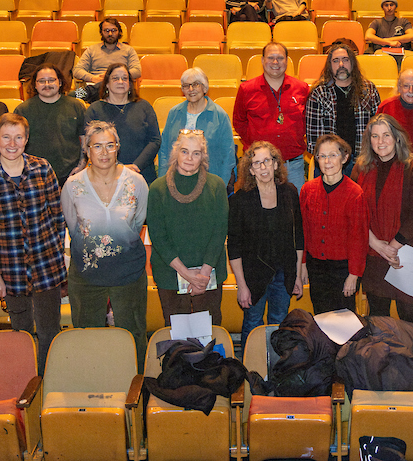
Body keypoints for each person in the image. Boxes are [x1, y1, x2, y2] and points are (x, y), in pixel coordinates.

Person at [0, 113, 67, 373]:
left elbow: (57, 215)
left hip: (46, 264)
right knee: (21, 330)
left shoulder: (42, 168)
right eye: (6, 137)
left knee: (50, 329)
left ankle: (49, 376)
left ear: (26, 139)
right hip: (10, 268)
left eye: (18, 137)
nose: (12, 144)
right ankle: (25, 377)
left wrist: (57, 253)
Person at [61, 121, 150, 371]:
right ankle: (93, 384)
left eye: (110, 145)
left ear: (118, 147)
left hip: (129, 274)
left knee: (133, 336)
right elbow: (73, 226)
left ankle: (135, 386)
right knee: (87, 339)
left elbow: (138, 222)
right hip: (87, 277)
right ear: (87, 149)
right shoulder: (73, 186)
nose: (104, 152)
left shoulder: (137, 182)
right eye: (97, 146)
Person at [354, 113, 413, 329]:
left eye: (386, 135)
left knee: (409, 316)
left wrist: (393, 247)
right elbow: (355, 211)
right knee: (377, 317)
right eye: (375, 136)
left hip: (406, 252)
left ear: (397, 137)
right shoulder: (361, 168)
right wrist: (377, 245)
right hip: (373, 253)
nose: (381, 141)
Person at [147, 129, 229, 325]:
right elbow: (158, 236)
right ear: (175, 152)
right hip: (170, 276)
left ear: (203, 157)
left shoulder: (216, 186)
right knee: (177, 336)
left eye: (196, 153)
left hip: (208, 275)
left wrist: (203, 275)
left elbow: (219, 232)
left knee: (209, 334)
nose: (189, 158)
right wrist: (186, 273)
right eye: (184, 151)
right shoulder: (157, 189)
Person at [229, 141, 304, 341]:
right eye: (257, 163)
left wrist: (297, 275)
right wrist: (241, 286)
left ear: (276, 164)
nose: (263, 167)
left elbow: (298, 238)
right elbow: (234, 247)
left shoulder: (290, 192)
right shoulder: (239, 200)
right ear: (250, 170)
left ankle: (276, 362)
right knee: (252, 323)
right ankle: (251, 361)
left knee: (279, 324)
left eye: (267, 161)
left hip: (284, 273)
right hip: (253, 276)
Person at [300, 134, 368, 314]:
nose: (327, 161)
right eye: (322, 156)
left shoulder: (355, 193)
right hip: (316, 266)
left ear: (344, 158)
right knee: (321, 315)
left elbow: (359, 237)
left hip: (343, 268)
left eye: (333, 155)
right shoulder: (308, 190)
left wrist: (354, 274)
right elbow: (303, 230)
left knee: (344, 319)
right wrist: (303, 263)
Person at [233, 43, 309, 187]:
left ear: (287, 61)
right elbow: (239, 122)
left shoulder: (301, 88)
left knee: (294, 202)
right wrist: (254, 141)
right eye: (270, 58)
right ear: (262, 60)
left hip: (293, 165)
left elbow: (307, 121)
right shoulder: (247, 89)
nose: (275, 62)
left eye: (280, 58)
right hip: (258, 166)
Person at [305, 40, 381, 173]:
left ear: (353, 63)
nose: (341, 64)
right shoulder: (319, 93)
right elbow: (313, 139)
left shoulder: (369, 90)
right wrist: (329, 159)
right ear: (330, 65)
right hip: (329, 163)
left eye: (345, 60)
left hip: (363, 161)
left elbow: (378, 129)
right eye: (336, 61)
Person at [85, 62, 161, 183]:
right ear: (107, 84)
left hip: (141, 173)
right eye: (115, 78)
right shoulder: (95, 109)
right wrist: (117, 168)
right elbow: (90, 144)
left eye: (125, 78)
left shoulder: (144, 106)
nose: (120, 82)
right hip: (106, 175)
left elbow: (155, 140)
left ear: (130, 84)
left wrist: (136, 166)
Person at [162, 67, 236, 186]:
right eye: (186, 86)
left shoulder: (220, 116)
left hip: (209, 184)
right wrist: (164, 180)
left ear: (205, 87)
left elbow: (228, 155)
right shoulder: (174, 113)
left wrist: (220, 187)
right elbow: (164, 149)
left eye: (196, 84)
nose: (191, 89)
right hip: (176, 182)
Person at [14, 63, 86, 181]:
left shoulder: (76, 106)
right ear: (35, 85)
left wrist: (81, 165)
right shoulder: (23, 110)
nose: (47, 84)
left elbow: (85, 139)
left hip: (71, 174)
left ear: (60, 82)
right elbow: (16, 143)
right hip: (34, 174)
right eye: (41, 81)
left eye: (51, 80)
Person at [73, 18, 141, 99]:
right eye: (106, 30)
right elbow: (77, 70)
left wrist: (114, 76)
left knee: (106, 84)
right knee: (72, 95)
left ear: (119, 32)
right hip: (95, 87)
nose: (110, 33)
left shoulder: (128, 50)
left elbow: (137, 71)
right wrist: (92, 78)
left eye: (114, 30)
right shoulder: (92, 50)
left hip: (119, 87)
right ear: (101, 32)